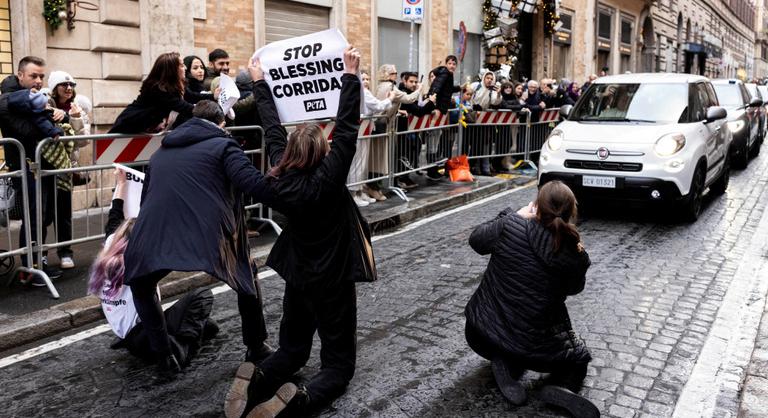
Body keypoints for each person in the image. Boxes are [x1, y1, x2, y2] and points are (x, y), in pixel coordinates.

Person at [231, 46, 374, 418]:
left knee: (292, 351)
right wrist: (350, 75)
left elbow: (271, 127)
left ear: (289, 152)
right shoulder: (330, 177)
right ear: (324, 151)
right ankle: (300, 400)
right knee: (338, 365)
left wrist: (260, 82)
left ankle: (259, 377)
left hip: (298, 274)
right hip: (334, 278)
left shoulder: (281, 175)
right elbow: (347, 126)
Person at [122, 100, 275, 378]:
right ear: (222, 124)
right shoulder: (225, 146)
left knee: (142, 284)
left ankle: (165, 358)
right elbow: (254, 185)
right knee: (246, 274)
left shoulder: (159, 153)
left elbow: (147, 200)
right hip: (207, 231)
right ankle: (256, 347)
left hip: (154, 232)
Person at [464, 180, 598, 418]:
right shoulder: (574, 254)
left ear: (536, 205)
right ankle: (562, 387)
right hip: (535, 349)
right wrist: (577, 253)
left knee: (511, 345)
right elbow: (574, 289)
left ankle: (505, 363)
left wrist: (514, 215)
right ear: (570, 212)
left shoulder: (511, 225)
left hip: (479, 332)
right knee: (578, 359)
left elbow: (476, 240)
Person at [88, 169, 219, 367]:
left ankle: (181, 337)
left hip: (128, 335)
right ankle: (181, 349)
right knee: (202, 297)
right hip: (146, 335)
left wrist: (122, 184)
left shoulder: (110, 246)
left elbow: (115, 214)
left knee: (208, 326)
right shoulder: (141, 260)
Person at [0, 56, 65, 284]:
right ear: (20, 76)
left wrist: (59, 114)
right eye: (33, 76)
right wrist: (50, 119)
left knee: (42, 216)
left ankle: (38, 263)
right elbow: (28, 131)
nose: (38, 81)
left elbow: (47, 124)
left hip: (41, 165)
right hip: (25, 167)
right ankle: (31, 268)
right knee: (33, 217)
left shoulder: (37, 99)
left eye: (41, 76)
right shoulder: (8, 101)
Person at [46, 70, 91, 271]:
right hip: (46, 168)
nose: (69, 89)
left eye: (72, 85)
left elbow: (83, 142)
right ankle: (42, 254)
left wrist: (74, 119)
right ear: (55, 88)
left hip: (65, 170)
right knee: (43, 215)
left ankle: (65, 253)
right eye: (64, 85)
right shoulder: (45, 105)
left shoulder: (78, 109)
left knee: (63, 213)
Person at [364, 63, 420, 201]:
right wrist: (419, 89)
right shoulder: (390, 87)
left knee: (376, 157)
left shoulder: (379, 86)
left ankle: (373, 186)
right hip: (383, 125)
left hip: (377, 124)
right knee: (380, 158)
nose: (396, 74)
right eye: (394, 73)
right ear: (389, 75)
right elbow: (409, 98)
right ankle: (374, 187)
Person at [110, 52, 194, 134]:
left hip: (140, 131)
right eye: (182, 65)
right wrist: (205, 111)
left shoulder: (171, 89)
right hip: (127, 128)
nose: (186, 68)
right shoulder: (158, 90)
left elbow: (194, 96)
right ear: (172, 70)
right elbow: (185, 108)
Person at [348, 70, 393, 207]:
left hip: (365, 131)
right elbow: (379, 106)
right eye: (363, 79)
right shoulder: (362, 92)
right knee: (357, 163)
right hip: (360, 131)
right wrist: (390, 98)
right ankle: (353, 193)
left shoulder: (364, 92)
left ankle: (360, 191)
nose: (366, 81)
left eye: (368, 79)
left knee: (362, 163)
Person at [426, 55, 461, 180]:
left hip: (441, 110)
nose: (452, 66)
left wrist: (459, 88)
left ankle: (433, 169)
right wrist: (433, 102)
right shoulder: (445, 74)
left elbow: (447, 89)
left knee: (434, 141)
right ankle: (431, 170)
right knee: (432, 141)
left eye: (454, 64)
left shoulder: (447, 75)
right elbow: (437, 86)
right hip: (438, 110)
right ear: (446, 64)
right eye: (450, 63)